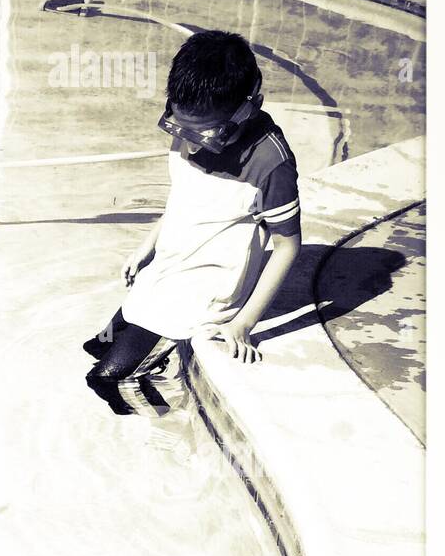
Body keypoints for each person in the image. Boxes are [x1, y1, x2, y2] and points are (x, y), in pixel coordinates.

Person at [84, 30, 302, 413]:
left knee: (108, 380)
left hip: (203, 293)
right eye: (178, 128)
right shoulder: (189, 125)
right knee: (97, 348)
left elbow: (287, 245)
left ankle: (167, 426)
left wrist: (244, 325)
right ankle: (161, 378)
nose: (191, 143)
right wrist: (146, 247)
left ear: (248, 108)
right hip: (166, 272)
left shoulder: (271, 162)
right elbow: (183, 197)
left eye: (207, 134)